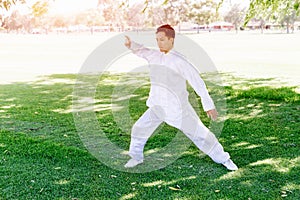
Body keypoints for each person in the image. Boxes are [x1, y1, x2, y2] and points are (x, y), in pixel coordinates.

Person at [124, 24, 238, 171]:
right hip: (157, 107)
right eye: (157, 40)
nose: (159, 43)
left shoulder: (179, 61)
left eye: (163, 39)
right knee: (139, 128)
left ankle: (224, 159)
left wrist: (208, 104)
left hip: (178, 110)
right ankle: (136, 157)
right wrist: (130, 44)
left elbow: (197, 81)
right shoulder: (154, 56)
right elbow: (142, 51)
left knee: (201, 135)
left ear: (171, 40)